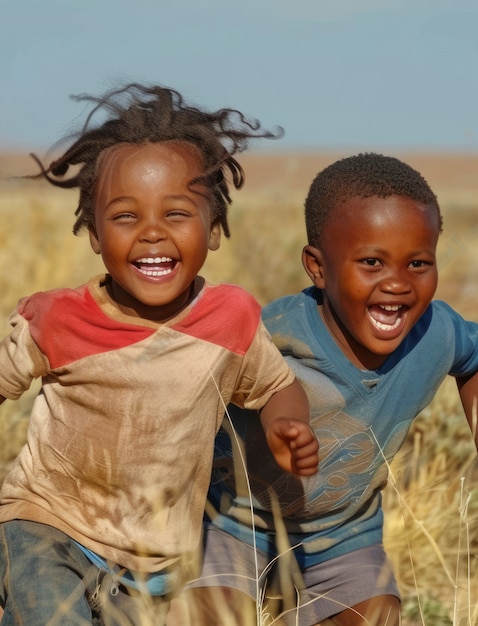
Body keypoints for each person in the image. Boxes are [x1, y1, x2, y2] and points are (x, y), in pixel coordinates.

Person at [0, 82, 319, 626]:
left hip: (154, 566)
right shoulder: (55, 318)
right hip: (45, 525)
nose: (151, 233)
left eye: (176, 214)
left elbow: (273, 387)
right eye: (125, 217)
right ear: (94, 234)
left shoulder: (231, 317)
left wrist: (288, 428)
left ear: (214, 229)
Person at [186, 153, 478, 626]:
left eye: (419, 263)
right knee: (211, 616)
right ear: (318, 268)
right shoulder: (275, 331)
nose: (398, 283)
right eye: (371, 262)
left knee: (379, 615)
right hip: (233, 524)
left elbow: (473, 356)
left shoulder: (435, 334)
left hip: (345, 538)